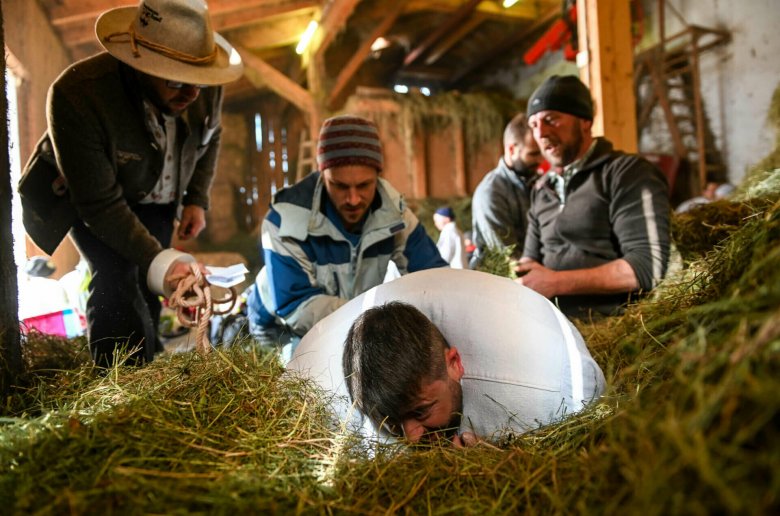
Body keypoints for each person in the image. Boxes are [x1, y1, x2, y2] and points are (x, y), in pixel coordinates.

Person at [20, 0, 243, 366]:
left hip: (159, 195)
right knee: (116, 280)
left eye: (198, 84)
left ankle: (148, 366)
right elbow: (99, 204)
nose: (191, 95)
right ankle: (119, 385)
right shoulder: (78, 95)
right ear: (139, 64)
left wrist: (196, 198)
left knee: (147, 281)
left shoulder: (203, 83)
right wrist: (161, 259)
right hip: (97, 195)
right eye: (175, 80)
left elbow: (211, 136)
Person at [288, 268, 605, 446]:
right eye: (389, 420)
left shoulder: (554, 386)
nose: (412, 438)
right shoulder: (308, 388)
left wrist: (509, 467)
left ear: (455, 363)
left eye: (422, 412)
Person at [247, 114, 447, 347]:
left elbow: (434, 279)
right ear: (323, 176)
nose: (353, 199)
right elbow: (296, 306)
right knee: (300, 375)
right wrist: (377, 321)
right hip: (276, 328)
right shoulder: (283, 222)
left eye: (364, 185)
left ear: (378, 176)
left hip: (351, 318)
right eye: (339, 186)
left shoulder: (395, 215)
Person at [518, 75, 671, 318]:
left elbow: (647, 267)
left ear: (585, 122)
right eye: (534, 125)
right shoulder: (542, 190)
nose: (542, 133)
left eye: (552, 119)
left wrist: (556, 282)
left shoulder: (626, 173)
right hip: (554, 324)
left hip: (615, 326)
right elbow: (529, 261)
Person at [470, 113, 542, 269]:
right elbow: (506, 256)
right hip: (498, 283)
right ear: (511, 149)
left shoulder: (537, 183)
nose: (540, 160)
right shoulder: (491, 192)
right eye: (533, 154)